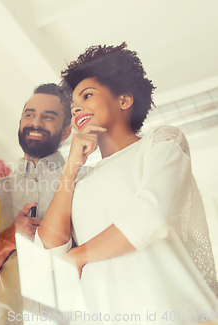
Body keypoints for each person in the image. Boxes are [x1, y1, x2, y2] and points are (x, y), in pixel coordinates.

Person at [36, 43, 218, 324]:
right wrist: (71, 167)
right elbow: (49, 249)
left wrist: (79, 256)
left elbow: (152, 214)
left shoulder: (161, 142)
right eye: (73, 107)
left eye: (87, 95)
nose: (77, 109)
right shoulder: (81, 180)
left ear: (124, 100)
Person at [0, 84, 72, 324]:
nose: (36, 123)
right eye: (29, 114)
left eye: (48, 117)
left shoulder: (82, 181)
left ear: (66, 132)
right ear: (20, 124)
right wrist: (10, 237)